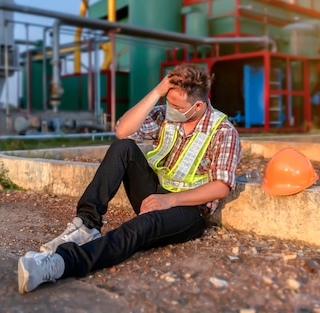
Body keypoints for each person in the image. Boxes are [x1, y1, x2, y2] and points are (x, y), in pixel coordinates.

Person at [17, 63, 242, 294]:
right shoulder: (166, 116)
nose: (169, 108)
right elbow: (123, 130)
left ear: (198, 105)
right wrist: (157, 91)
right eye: (168, 101)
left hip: (189, 210)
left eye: (176, 105)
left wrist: (170, 201)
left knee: (138, 228)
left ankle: (61, 264)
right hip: (156, 193)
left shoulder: (223, 132)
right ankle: (86, 224)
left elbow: (221, 186)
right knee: (122, 147)